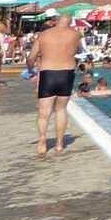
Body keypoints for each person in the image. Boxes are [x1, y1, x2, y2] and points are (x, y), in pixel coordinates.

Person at [33, 10, 79, 157]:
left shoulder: (44, 35)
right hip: (66, 73)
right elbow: (77, 50)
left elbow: (32, 56)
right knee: (61, 110)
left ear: (56, 21)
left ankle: (42, 140)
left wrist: (30, 69)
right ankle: (59, 144)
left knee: (44, 112)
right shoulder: (75, 34)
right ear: (70, 23)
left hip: (48, 73)